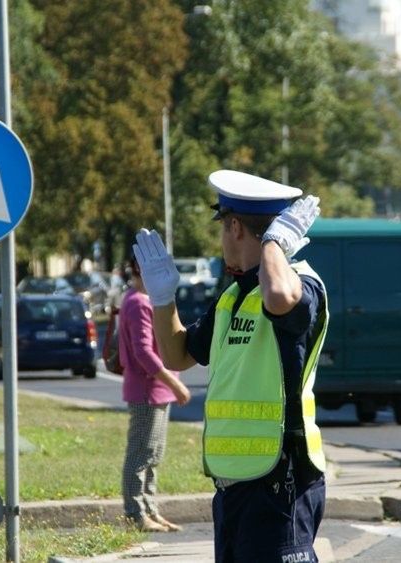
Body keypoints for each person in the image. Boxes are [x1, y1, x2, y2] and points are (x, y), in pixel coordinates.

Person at [134, 169, 330, 563]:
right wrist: (161, 297)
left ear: (235, 227)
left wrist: (274, 241)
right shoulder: (233, 296)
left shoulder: (301, 284)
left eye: (223, 226)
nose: (221, 237)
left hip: (280, 480)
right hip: (234, 487)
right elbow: (177, 355)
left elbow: (278, 296)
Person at [119, 256, 192, 533]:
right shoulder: (138, 302)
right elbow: (144, 353)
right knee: (140, 454)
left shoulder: (140, 299)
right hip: (147, 391)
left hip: (158, 391)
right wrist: (176, 385)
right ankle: (135, 514)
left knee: (153, 455)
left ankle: (150, 510)